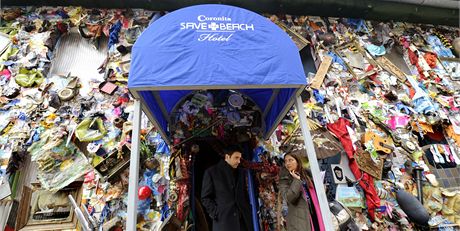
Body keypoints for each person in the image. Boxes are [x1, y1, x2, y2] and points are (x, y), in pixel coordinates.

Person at [201, 145, 253, 231]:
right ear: (227, 157)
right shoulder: (211, 172)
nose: (239, 161)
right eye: (236, 158)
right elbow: (205, 198)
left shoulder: (241, 172)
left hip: (243, 222)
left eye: (240, 158)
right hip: (224, 222)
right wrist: (216, 213)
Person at [279, 153, 314, 231]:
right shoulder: (284, 179)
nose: (288, 163)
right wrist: (296, 181)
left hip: (314, 213)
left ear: (297, 161)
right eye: (286, 161)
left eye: (290, 160)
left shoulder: (307, 174)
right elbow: (289, 198)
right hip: (299, 219)